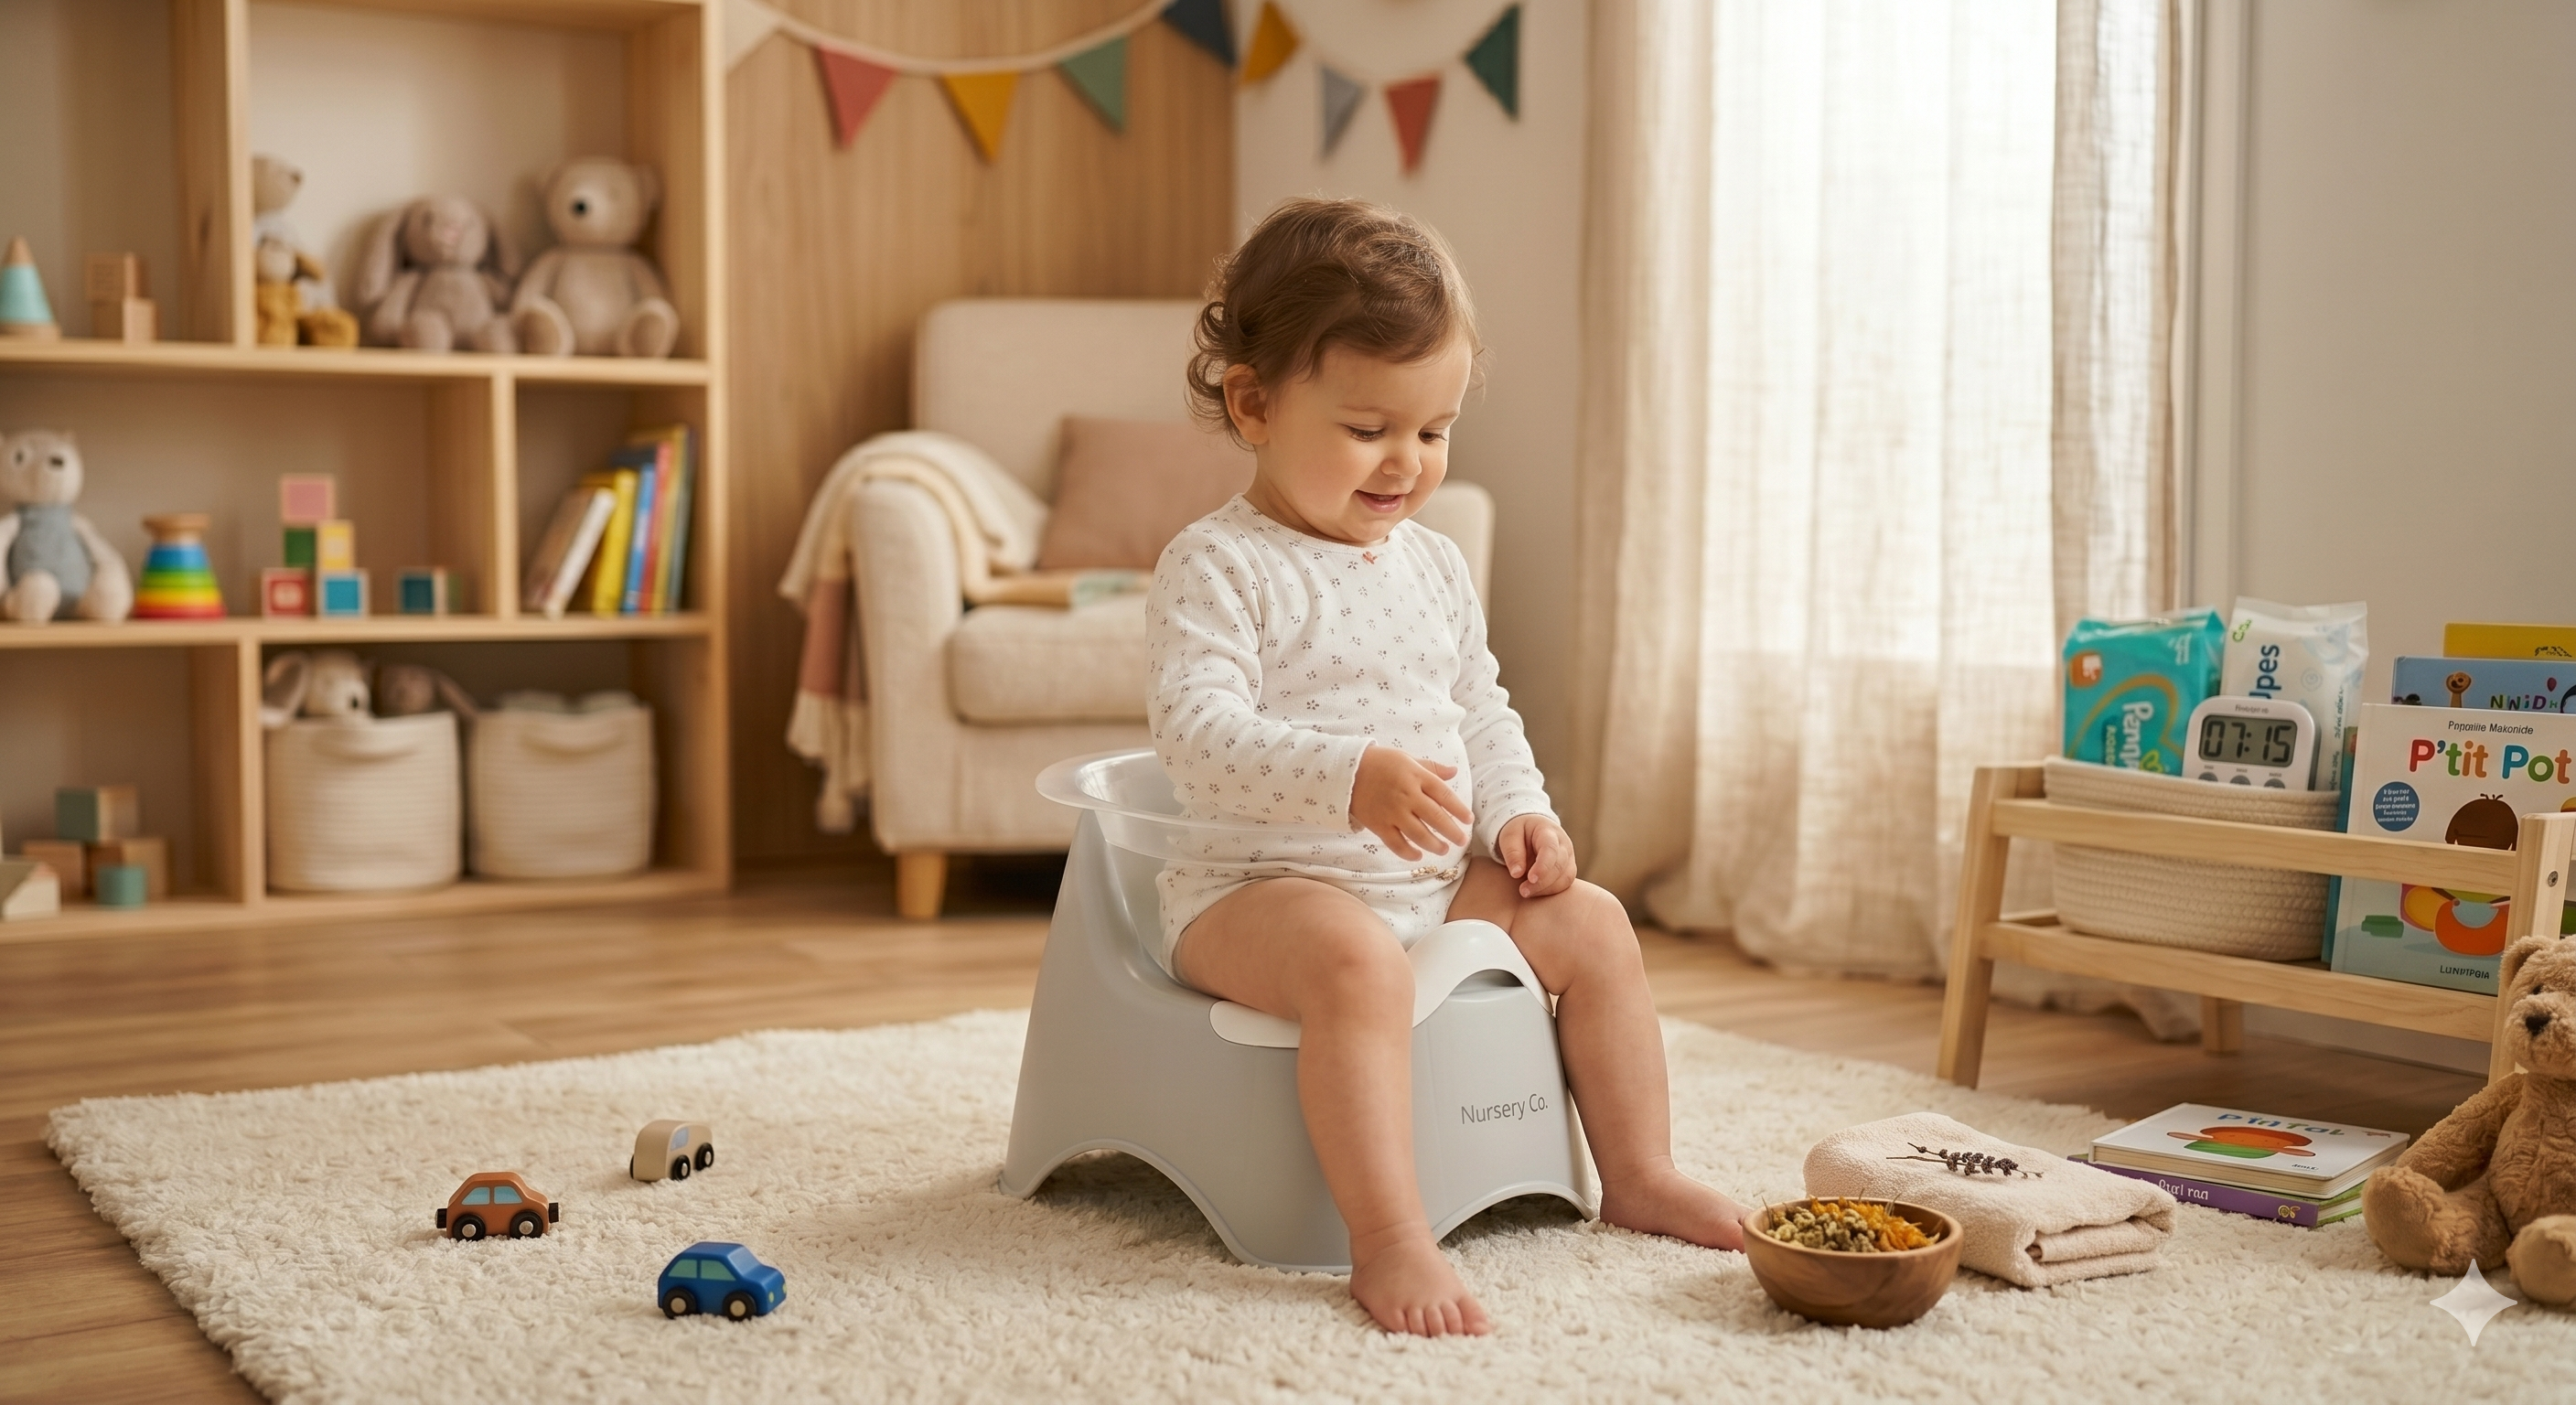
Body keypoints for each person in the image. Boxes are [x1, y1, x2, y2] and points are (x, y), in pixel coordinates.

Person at [1146, 198, 1748, 1338]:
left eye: (1433, 431)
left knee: (1595, 925)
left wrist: (1520, 812)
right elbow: (1196, 737)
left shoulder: (1430, 563)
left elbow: (1477, 703)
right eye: (1369, 427)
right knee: (1356, 967)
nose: (1405, 463)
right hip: (1257, 893)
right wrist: (1348, 778)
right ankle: (1388, 1238)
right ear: (1255, 404)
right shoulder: (1218, 564)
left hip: (1425, 887)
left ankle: (1640, 1173)